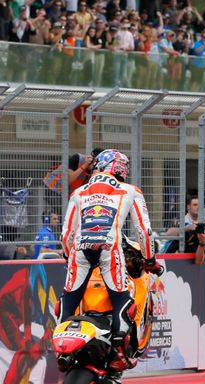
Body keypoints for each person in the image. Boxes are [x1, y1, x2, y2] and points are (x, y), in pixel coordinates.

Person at [57, 149, 159, 372]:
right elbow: (144, 231)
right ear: (120, 168)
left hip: (80, 250)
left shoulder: (79, 192)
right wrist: (150, 258)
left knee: (69, 297)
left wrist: (68, 256)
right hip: (109, 249)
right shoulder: (130, 190)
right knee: (122, 298)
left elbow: (66, 235)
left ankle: (63, 350)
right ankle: (118, 352)